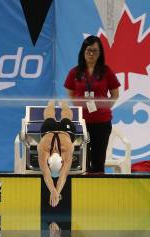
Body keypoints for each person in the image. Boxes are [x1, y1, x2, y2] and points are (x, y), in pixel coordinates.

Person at [64, 35, 120, 173]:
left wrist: (105, 107)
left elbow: (115, 94)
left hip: (102, 122)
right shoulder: (75, 72)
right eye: (88, 50)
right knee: (81, 160)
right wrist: (79, 106)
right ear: (83, 52)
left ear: (100, 53)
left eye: (95, 51)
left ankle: (98, 189)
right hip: (80, 123)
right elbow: (70, 92)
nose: (91, 54)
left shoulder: (106, 72)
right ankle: (82, 189)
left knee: (98, 160)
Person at [38, 100, 75, 208]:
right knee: (52, 116)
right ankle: (59, 103)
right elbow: (57, 175)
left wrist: (55, 192)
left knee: (66, 117)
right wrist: (55, 193)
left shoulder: (44, 148)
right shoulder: (44, 148)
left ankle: (54, 103)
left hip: (64, 133)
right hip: (49, 131)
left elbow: (53, 175)